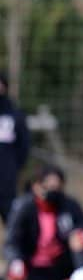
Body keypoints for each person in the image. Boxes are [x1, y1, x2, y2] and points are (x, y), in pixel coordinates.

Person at [3, 164, 83, 280]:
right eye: (48, 187)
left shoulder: (69, 205)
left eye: (56, 188)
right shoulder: (23, 207)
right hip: (33, 268)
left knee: (78, 240)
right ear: (36, 186)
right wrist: (16, 262)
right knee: (14, 279)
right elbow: (12, 242)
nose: (52, 192)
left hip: (63, 266)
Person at [0, 69, 31, 224]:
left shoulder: (15, 114)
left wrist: (15, 167)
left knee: (11, 217)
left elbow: (24, 145)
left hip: (6, 177)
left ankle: (13, 247)